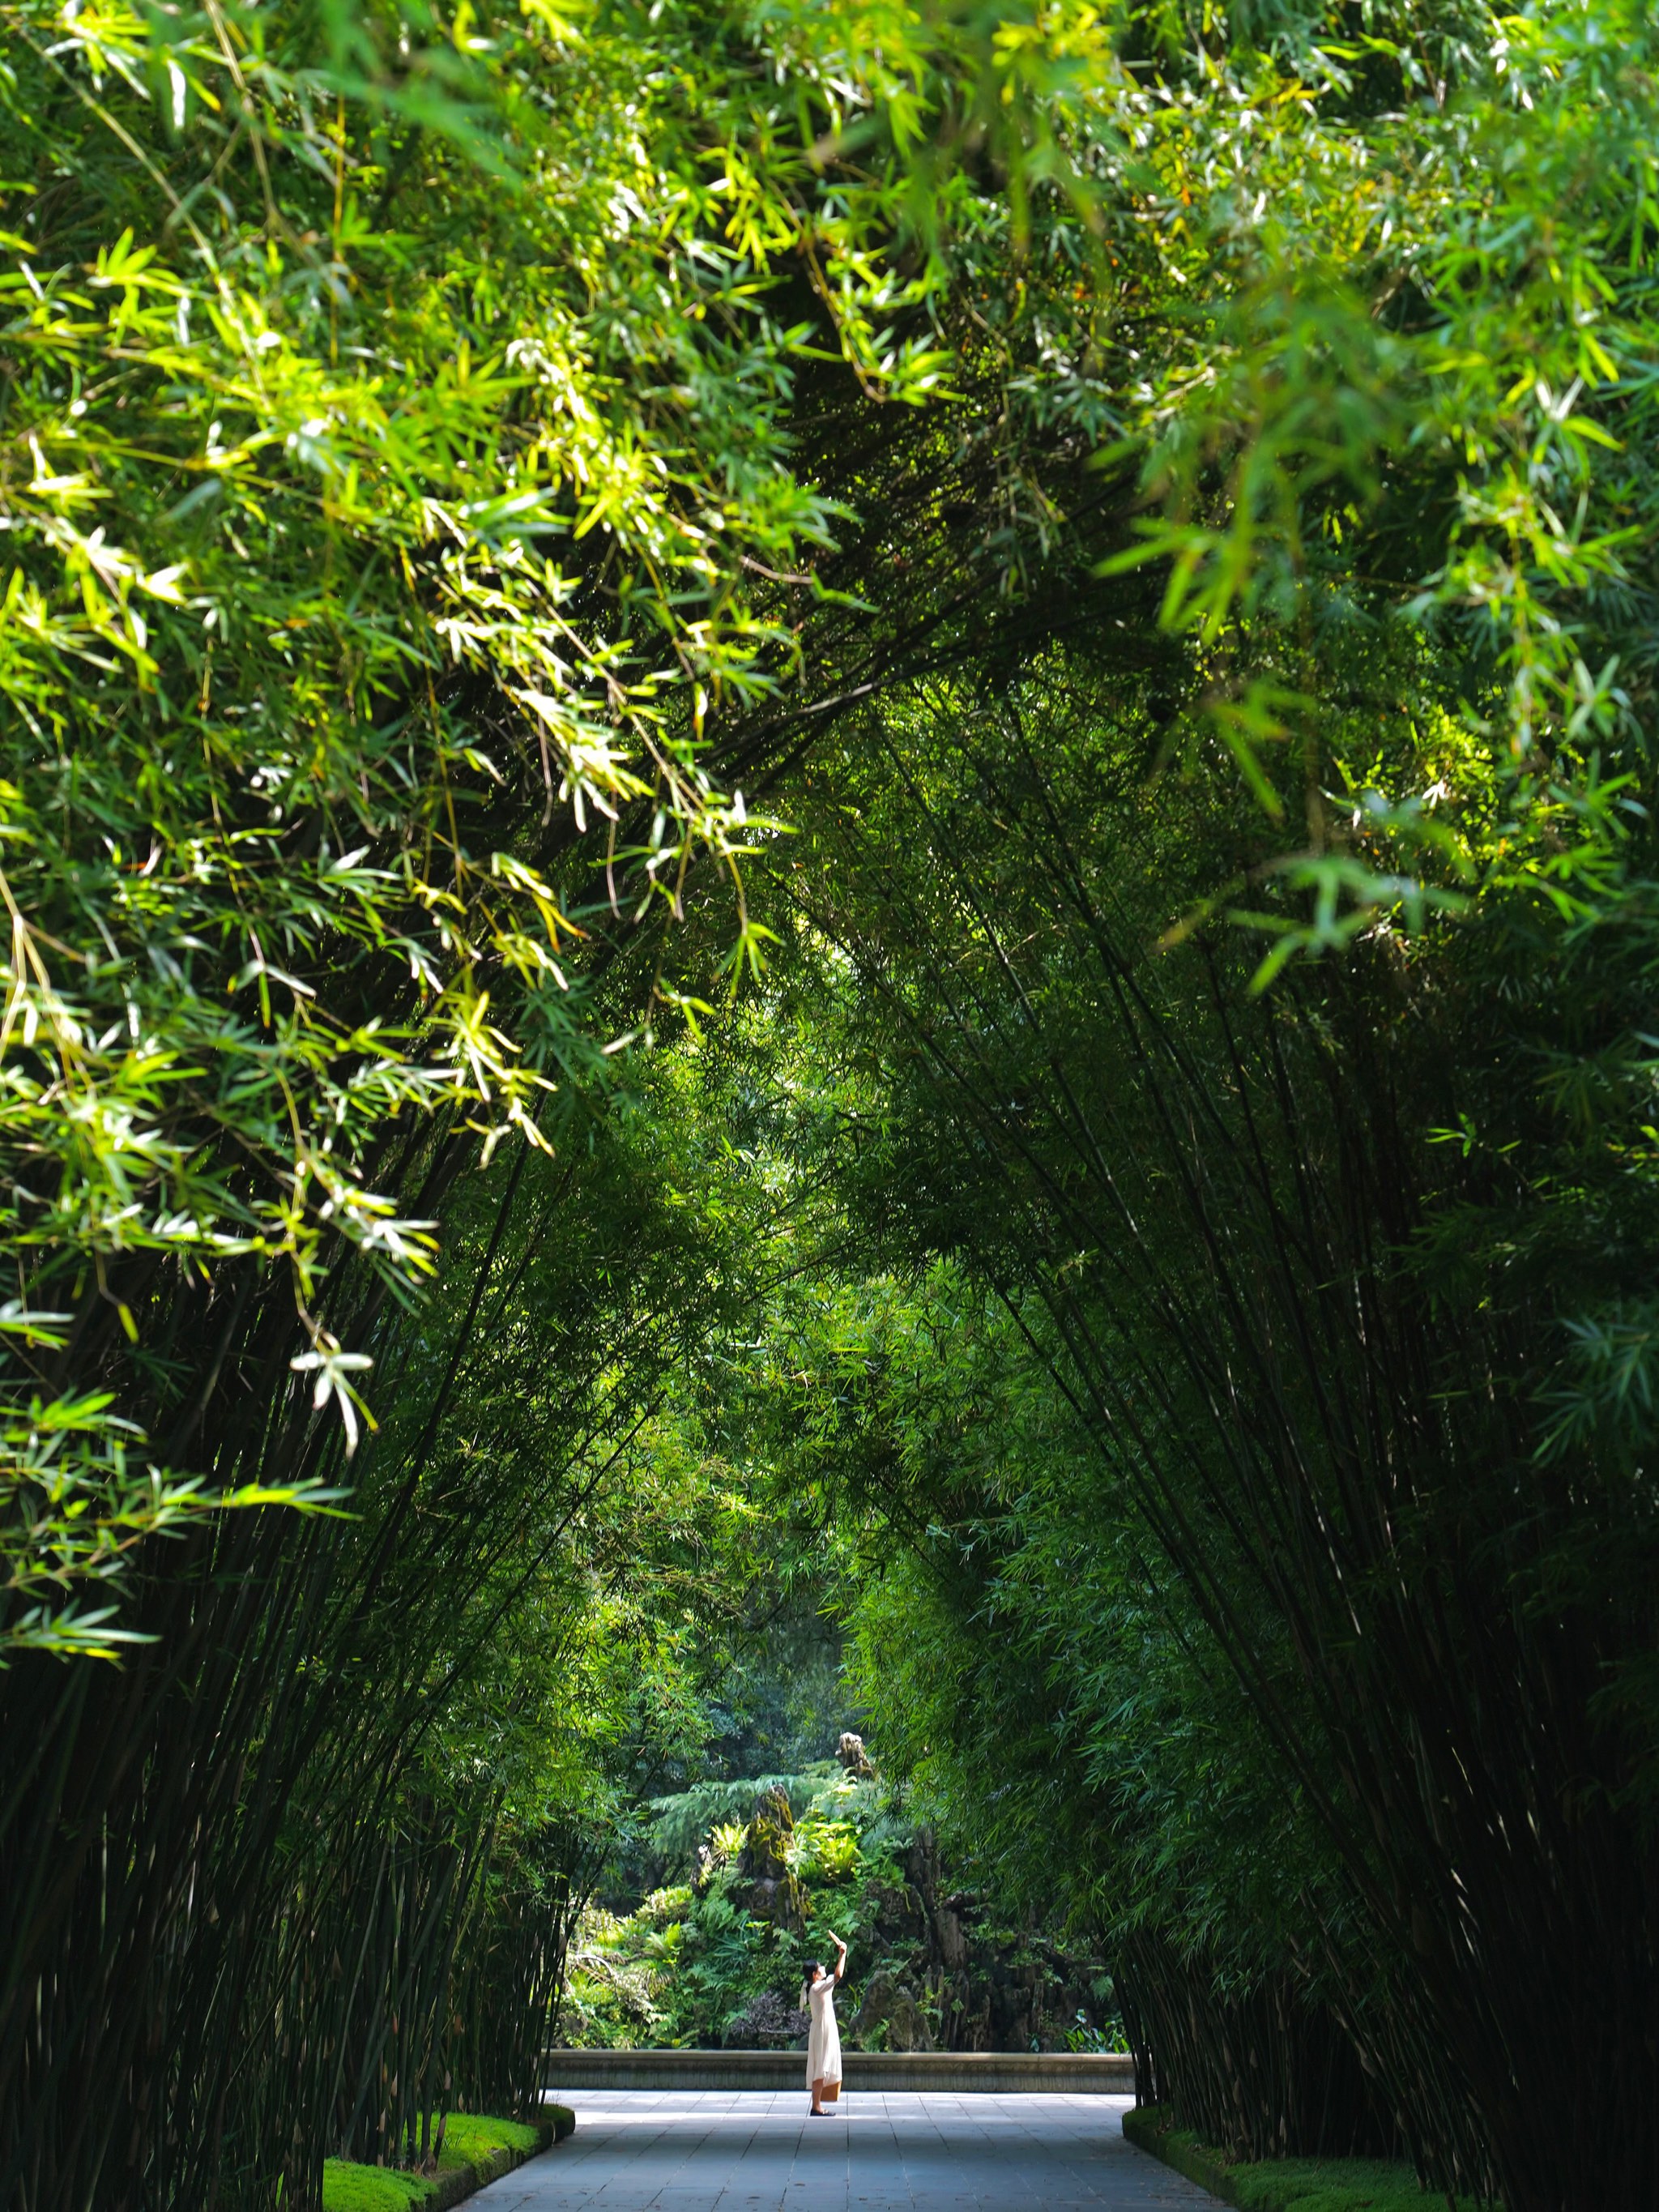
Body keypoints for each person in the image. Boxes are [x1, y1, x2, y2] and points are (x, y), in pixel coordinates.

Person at [802, 1931, 847, 2115]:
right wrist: (843, 1954)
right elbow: (838, 1975)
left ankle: (817, 2104)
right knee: (821, 2065)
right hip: (823, 2029)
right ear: (815, 1974)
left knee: (821, 2064)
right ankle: (817, 2106)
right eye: (820, 1968)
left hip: (822, 2027)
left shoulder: (814, 1987)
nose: (823, 1968)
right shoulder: (818, 1988)